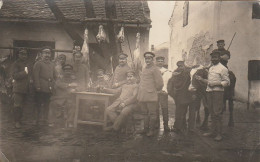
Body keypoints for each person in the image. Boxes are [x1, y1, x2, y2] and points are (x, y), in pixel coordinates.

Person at [196, 51, 230, 141]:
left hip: (217, 93)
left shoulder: (223, 69)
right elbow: (209, 82)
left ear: (219, 58)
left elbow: (227, 82)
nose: (214, 59)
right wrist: (201, 79)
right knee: (211, 112)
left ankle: (219, 134)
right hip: (209, 92)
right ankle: (212, 131)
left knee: (217, 113)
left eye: (215, 57)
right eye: (212, 57)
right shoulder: (211, 68)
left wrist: (216, 83)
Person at [137, 52, 164, 137]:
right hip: (143, 95)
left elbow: (160, 83)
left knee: (152, 114)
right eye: (146, 58)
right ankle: (145, 129)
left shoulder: (155, 69)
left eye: (149, 58)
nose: (147, 60)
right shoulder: (145, 68)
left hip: (151, 95)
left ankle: (151, 130)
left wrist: (154, 91)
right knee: (144, 113)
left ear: (152, 59)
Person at [33, 47, 56, 125]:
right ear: (41, 54)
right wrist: (38, 86)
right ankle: (38, 119)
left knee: (47, 104)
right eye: (45, 53)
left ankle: (45, 119)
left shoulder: (52, 64)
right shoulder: (38, 63)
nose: (47, 55)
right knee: (39, 104)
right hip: (41, 86)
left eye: (48, 53)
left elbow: (55, 75)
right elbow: (35, 76)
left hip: (49, 87)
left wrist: (53, 84)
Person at [12, 49, 33, 128]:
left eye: (25, 54)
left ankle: (21, 120)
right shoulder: (16, 64)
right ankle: (16, 122)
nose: (24, 56)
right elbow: (14, 76)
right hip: (18, 88)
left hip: (26, 88)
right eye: (22, 54)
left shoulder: (28, 64)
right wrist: (25, 73)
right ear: (18, 55)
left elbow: (31, 74)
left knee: (24, 105)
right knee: (17, 105)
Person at [168, 63, 192, 133]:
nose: (180, 67)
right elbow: (171, 86)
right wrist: (173, 95)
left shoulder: (187, 74)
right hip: (179, 96)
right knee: (180, 111)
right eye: (179, 66)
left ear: (184, 66)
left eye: (181, 66)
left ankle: (179, 126)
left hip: (185, 95)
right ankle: (180, 125)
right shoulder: (175, 75)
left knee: (181, 111)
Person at [155, 56, 171, 132]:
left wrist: (166, 91)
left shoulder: (167, 72)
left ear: (164, 62)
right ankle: (156, 124)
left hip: (164, 93)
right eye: (158, 61)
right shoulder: (153, 71)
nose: (160, 62)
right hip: (155, 93)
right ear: (156, 62)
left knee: (165, 108)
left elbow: (169, 83)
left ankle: (166, 125)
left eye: (162, 61)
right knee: (155, 109)